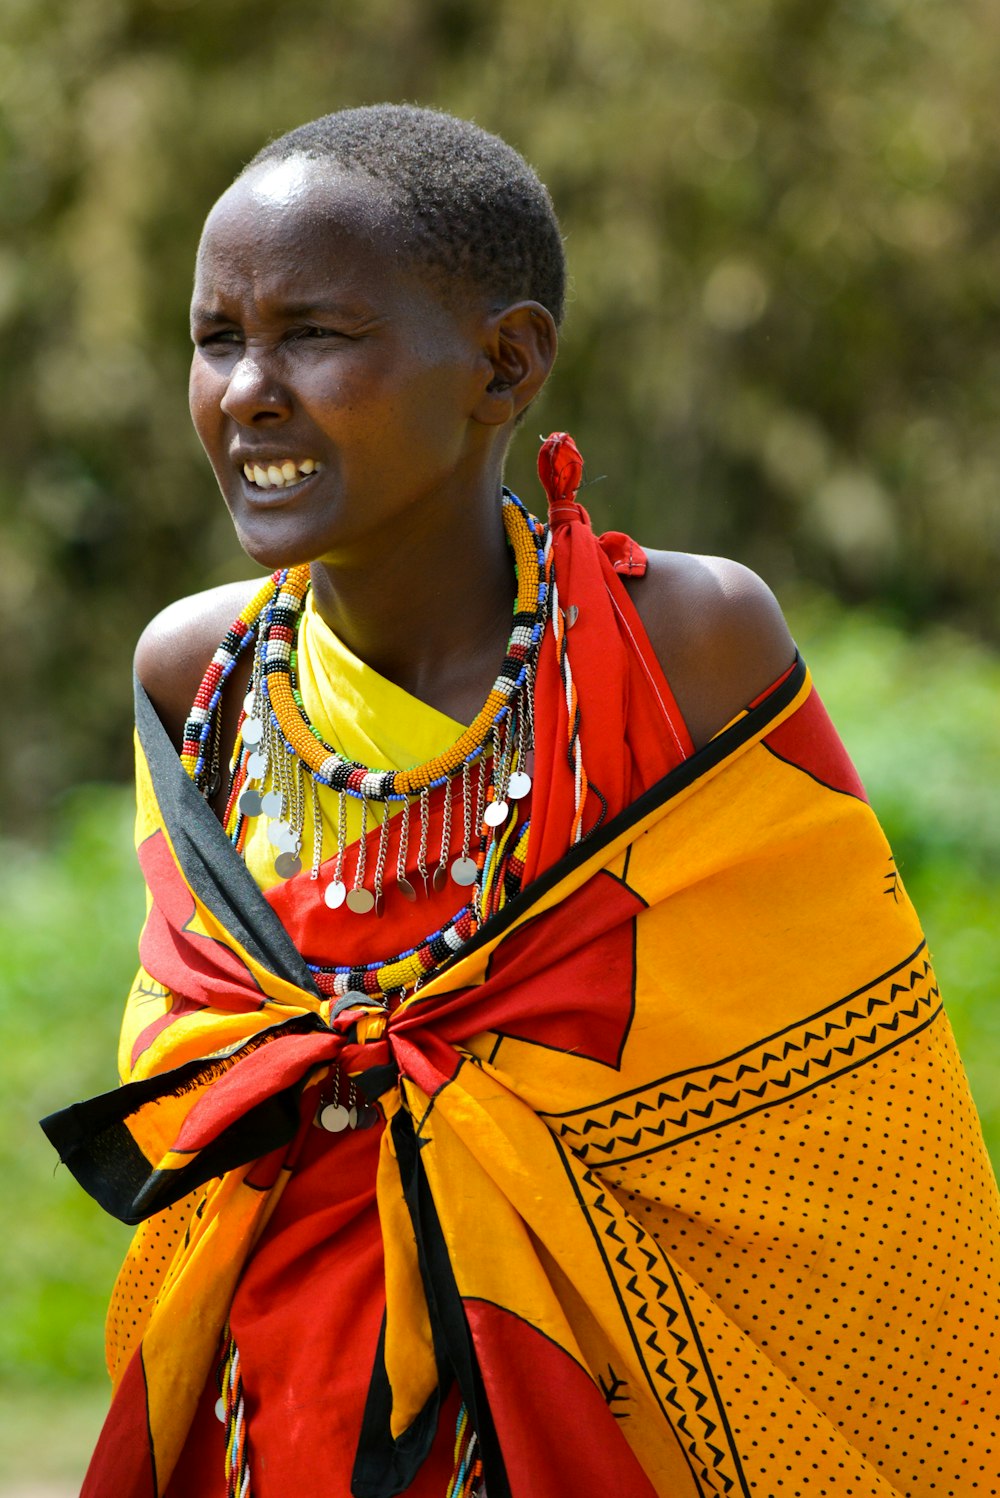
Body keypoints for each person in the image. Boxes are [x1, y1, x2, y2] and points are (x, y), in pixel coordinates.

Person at [44, 105, 999, 1498]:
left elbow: (840, 1131)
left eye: (313, 333)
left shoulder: (677, 649)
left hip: (597, 1425)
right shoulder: (203, 675)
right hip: (267, 1413)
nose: (248, 388)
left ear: (507, 363)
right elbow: (197, 1048)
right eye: (215, 338)